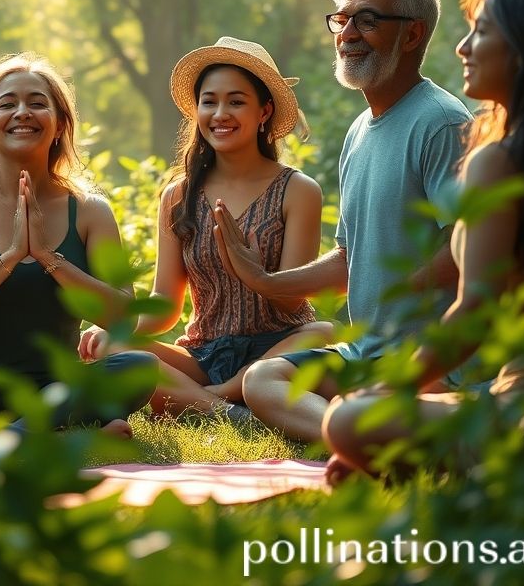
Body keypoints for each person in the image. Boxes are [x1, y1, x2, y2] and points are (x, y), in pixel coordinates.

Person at [221, 0, 471, 441]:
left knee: (360, 398)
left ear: (413, 34)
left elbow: (467, 242)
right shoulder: (358, 131)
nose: (348, 33)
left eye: (369, 20)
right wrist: (265, 280)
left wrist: (406, 292)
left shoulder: (442, 121)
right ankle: (355, 438)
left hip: (431, 354)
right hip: (367, 352)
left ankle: (363, 433)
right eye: (342, 18)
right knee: (263, 379)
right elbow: (349, 259)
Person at [323, 0, 524, 477]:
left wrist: (391, 390)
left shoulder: (496, 160)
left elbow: (473, 311)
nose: (462, 47)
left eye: (482, 30)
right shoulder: (513, 153)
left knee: (349, 419)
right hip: (514, 395)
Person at [0, 53, 157, 435]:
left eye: (37, 104)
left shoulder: (89, 211)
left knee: (138, 367)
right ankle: (54, 431)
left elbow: (123, 319)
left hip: (53, 389)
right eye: (7, 104)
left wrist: (49, 259)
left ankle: (13, 433)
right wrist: (11, 256)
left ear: (59, 126)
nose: (22, 112)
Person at [79, 37, 334, 416]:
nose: (220, 113)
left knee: (324, 334)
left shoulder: (298, 191)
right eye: (209, 101)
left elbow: (291, 298)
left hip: (280, 347)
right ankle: (230, 410)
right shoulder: (178, 196)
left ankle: (218, 397)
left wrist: (251, 270)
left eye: (236, 101)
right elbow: (165, 305)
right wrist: (118, 329)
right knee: (115, 349)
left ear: (264, 111)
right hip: (204, 353)